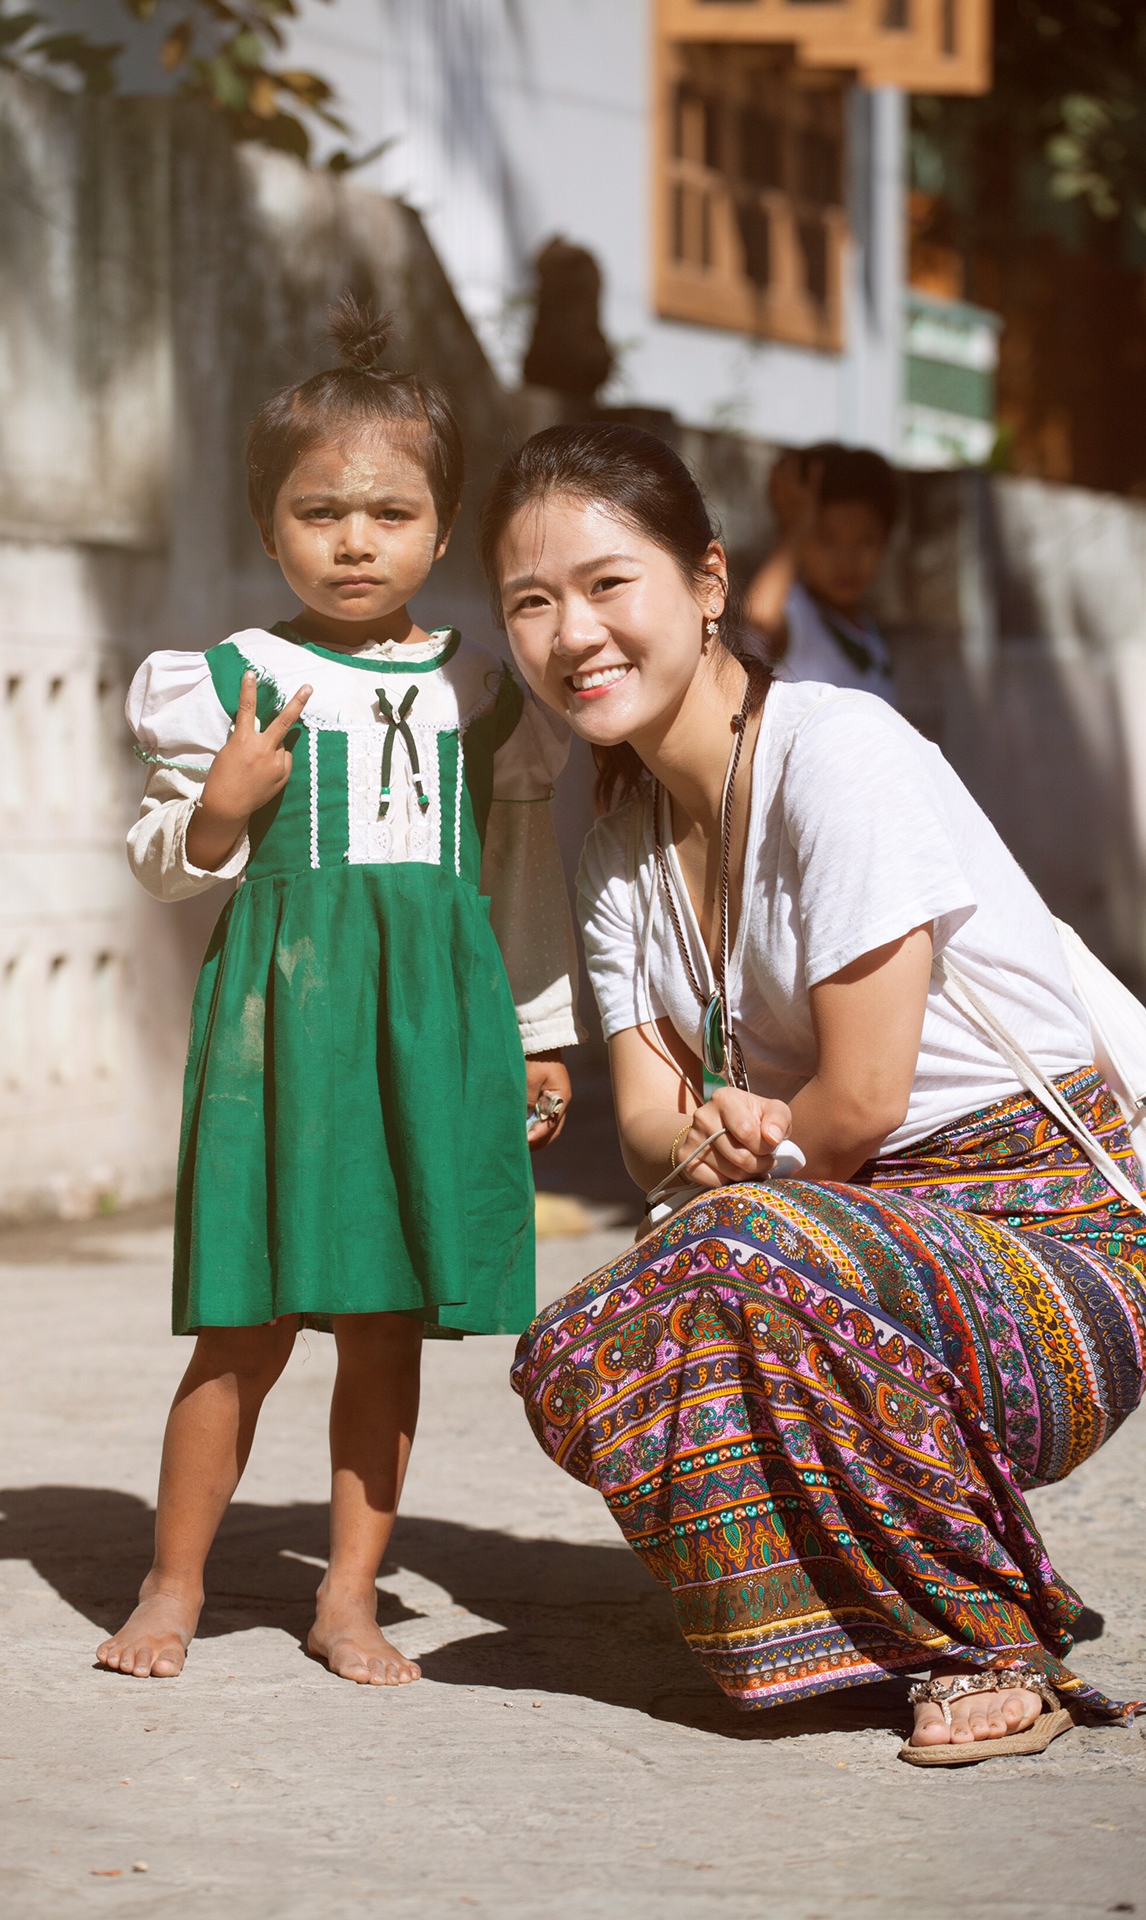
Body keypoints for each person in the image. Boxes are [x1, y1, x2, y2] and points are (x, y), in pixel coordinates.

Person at [479, 421, 1146, 1763]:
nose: (573, 635)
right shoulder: (619, 842)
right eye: (530, 603)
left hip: (1068, 1245)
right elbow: (654, 1129)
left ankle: (982, 1641)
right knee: (567, 1354)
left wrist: (744, 1149)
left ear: (710, 583)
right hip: (849, 1237)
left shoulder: (836, 753)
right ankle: (846, 1628)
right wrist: (730, 1145)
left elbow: (859, 1101)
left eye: (612, 584)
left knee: (729, 1247)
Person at [97, 300, 580, 1686]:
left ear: (443, 531)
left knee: (383, 1328)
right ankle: (173, 1580)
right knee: (243, 1327)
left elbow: (522, 880)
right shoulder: (234, 687)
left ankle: (347, 1599)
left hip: (429, 1034)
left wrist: (540, 1040)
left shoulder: (484, 692)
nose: (355, 540)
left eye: (389, 511)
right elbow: (160, 869)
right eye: (320, 512)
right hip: (282, 1039)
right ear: (268, 528)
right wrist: (221, 813)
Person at [745, 442, 897, 696]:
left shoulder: (870, 634)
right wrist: (796, 530)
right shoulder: (796, 615)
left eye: (865, 542)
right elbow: (758, 617)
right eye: (827, 541)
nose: (846, 561)